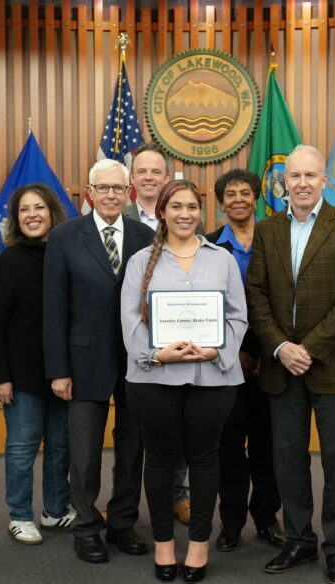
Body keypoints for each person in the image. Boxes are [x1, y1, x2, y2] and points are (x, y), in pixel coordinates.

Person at [246, 145, 335, 584]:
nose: (300, 183)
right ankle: (299, 539)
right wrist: (280, 346)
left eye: (309, 176)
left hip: (333, 363)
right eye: (293, 176)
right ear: (285, 183)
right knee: (287, 459)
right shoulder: (267, 230)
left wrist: (309, 348)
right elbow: (255, 294)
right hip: (282, 365)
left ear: (324, 181)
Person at [121, 179, 248, 584]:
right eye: (175, 206)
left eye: (192, 206)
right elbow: (130, 320)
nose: (184, 214)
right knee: (158, 459)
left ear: (201, 211)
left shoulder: (222, 259)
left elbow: (237, 316)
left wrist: (217, 351)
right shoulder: (141, 261)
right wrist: (157, 354)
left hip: (213, 376)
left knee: (205, 458)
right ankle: (163, 542)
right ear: (162, 211)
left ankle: (198, 544)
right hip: (153, 378)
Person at [43, 159, 155, 564]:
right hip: (83, 361)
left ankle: (123, 522)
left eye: (117, 189)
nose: (110, 195)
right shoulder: (65, 236)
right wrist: (58, 370)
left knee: (132, 448)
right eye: (102, 188)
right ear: (88, 193)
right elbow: (54, 309)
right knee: (85, 453)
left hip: (138, 361)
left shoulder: (146, 236)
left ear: (128, 193)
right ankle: (87, 526)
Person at [0, 184, 74, 546]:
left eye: (39, 207)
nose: (32, 214)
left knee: (60, 446)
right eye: (24, 210)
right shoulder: (10, 261)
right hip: (21, 378)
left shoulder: (66, 255)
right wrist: (0, 377)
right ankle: (20, 515)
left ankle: (55, 510)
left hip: (62, 374)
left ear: (52, 211)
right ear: (16, 219)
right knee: (21, 449)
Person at [207, 169, 286, 553]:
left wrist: (265, 349)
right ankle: (232, 521)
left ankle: (268, 519)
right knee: (228, 446)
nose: (238, 199)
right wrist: (232, 351)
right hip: (225, 362)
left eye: (245, 192)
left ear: (256, 197)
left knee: (268, 445)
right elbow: (204, 306)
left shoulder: (277, 238)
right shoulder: (207, 246)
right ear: (221, 202)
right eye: (230, 194)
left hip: (273, 358)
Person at [120, 142, 191, 526]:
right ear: (132, 179)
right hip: (129, 343)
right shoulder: (118, 217)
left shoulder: (182, 218)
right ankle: (125, 506)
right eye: (141, 172)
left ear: (167, 178)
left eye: (156, 172)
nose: (149, 177)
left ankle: (178, 496)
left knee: (176, 429)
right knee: (131, 434)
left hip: (179, 347)